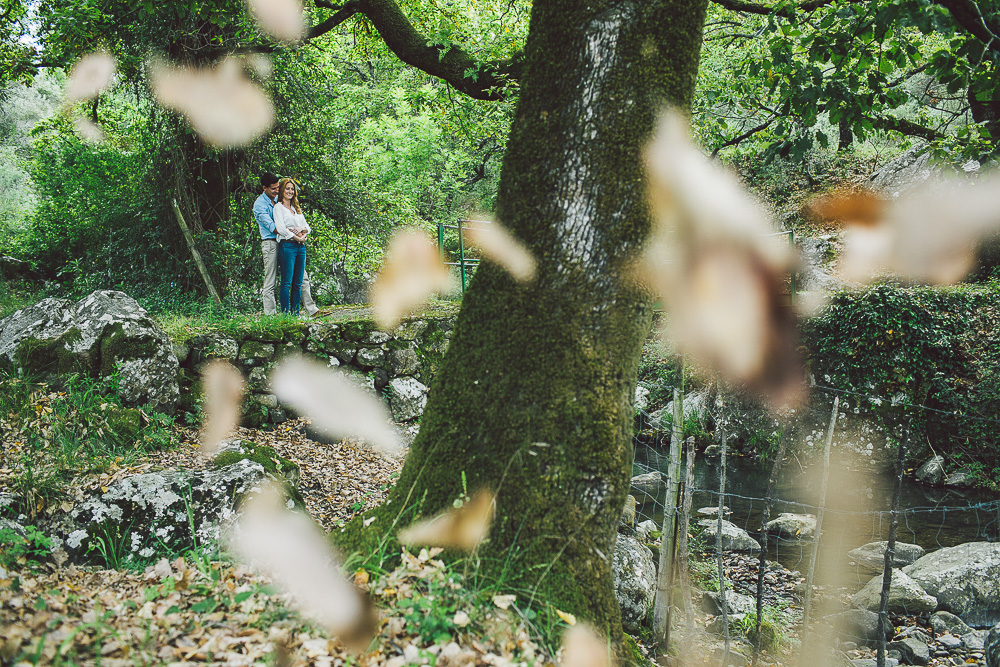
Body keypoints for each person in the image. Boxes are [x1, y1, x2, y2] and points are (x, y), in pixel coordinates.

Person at [253, 172, 320, 316]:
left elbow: (296, 219)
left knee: (302, 277)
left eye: (278, 187)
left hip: (289, 242)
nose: (277, 191)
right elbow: (274, 227)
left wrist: (300, 231)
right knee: (271, 279)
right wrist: (294, 234)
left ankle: (311, 309)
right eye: (273, 188)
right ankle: (271, 314)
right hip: (271, 242)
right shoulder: (259, 205)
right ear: (264, 188)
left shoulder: (280, 199)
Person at [273, 177, 310, 314]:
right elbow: (281, 229)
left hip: (301, 247)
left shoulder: (296, 208)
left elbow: (308, 227)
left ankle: (295, 313)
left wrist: (303, 232)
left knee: (298, 283)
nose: (290, 191)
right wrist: (296, 237)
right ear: (282, 190)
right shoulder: (278, 208)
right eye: (287, 188)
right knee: (286, 282)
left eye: (292, 189)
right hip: (287, 246)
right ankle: (285, 313)